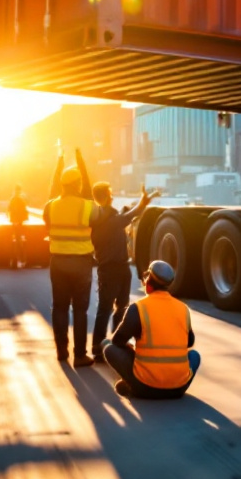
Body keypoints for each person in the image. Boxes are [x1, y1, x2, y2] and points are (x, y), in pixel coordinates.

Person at [101, 260, 201, 400]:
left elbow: (117, 341)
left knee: (108, 347)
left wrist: (131, 349)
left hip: (146, 387)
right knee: (194, 355)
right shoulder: (183, 309)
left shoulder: (138, 308)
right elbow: (189, 343)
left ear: (148, 284)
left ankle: (132, 385)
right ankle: (169, 382)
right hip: (179, 388)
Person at [42, 151, 102, 367]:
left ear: (61, 185)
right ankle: (79, 355)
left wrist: (58, 166)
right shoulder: (88, 206)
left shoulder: (50, 206)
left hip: (57, 262)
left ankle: (61, 352)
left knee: (59, 307)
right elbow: (92, 200)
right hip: (81, 264)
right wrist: (82, 166)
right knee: (80, 309)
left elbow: (50, 200)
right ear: (78, 184)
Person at [90, 183, 157, 359]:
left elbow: (125, 217)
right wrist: (142, 203)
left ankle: (110, 345)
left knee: (118, 308)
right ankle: (101, 348)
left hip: (119, 268)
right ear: (104, 197)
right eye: (110, 195)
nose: (112, 197)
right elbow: (129, 216)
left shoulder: (103, 217)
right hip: (111, 269)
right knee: (109, 309)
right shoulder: (106, 220)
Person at [7, 185, 29, 269]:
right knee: (18, 241)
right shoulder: (17, 200)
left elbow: (11, 210)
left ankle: (18, 259)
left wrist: (15, 220)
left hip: (17, 222)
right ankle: (20, 259)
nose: (18, 192)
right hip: (17, 222)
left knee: (17, 241)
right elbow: (14, 210)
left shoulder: (15, 199)